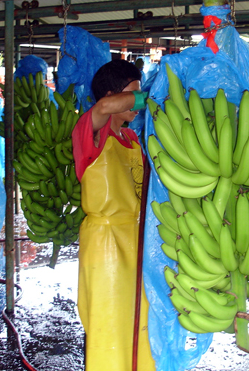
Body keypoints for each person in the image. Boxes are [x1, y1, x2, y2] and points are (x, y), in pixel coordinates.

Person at [71, 59, 155, 371]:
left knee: (139, 323)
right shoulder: (91, 131)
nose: (137, 102)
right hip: (105, 243)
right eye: (133, 94)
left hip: (136, 239)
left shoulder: (132, 140)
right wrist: (151, 97)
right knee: (109, 325)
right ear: (112, 94)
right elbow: (105, 107)